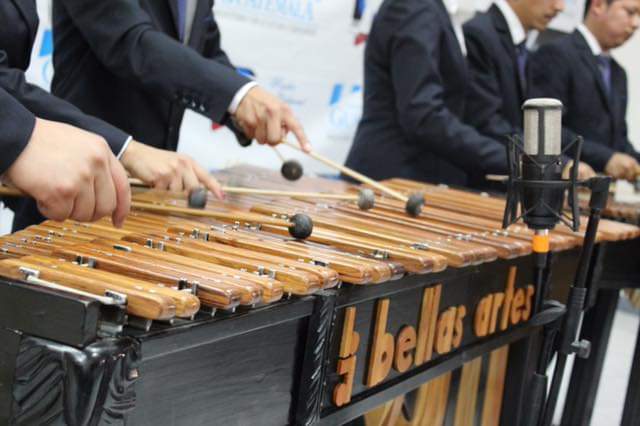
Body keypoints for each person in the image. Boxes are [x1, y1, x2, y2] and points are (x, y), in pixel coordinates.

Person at [0, 0, 222, 231]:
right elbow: (131, 42)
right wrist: (127, 149)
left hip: (131, 193)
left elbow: (206, 48)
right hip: (73, 189)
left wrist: (244, 98)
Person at [50, 0, 311, 156]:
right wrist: (237, 95)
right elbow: (131, 43)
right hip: (78, 175)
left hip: (149, 186)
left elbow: (206, 49)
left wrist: (245, 110)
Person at [344, 0, 509, 187]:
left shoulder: (435, 9)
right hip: (391, 178)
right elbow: (423, 115)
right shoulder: (413, 6)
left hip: (416, 178)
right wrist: (509, 160)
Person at [530, 0, 640, 181]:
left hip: (596, 193)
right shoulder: (556, 54)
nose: (636, 24)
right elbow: (546, 129)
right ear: (598, 6)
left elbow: (618, 140)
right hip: (560, 186)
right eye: (630, 12)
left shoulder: (619, 74)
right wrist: (605, 158)